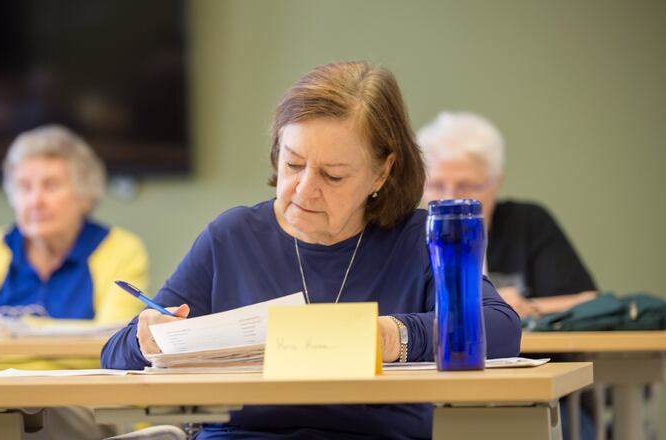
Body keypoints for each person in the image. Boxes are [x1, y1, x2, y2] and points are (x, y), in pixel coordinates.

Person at [102, 61, 521, 439]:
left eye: (333, 176)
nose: (304, 190)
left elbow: (501, 328)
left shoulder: (416, 238)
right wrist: (147, 339)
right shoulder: (233, 236)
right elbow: (115, 354)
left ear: (382, 171)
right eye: (293, 164)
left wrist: (394, 337)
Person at [0, 124, 148, 325]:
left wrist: (19, 330)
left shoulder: (120, 250)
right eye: (24, 187)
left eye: (51, 185)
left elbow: (114, 342)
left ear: (85, 194)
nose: (35, 201)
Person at [418, 112, 597, 319]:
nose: (450, 199)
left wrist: (525, 307)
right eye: (436, 185)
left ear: (496, 183)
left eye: (467, 186)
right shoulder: (405, 233)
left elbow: (591, 301)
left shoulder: (527, 223)